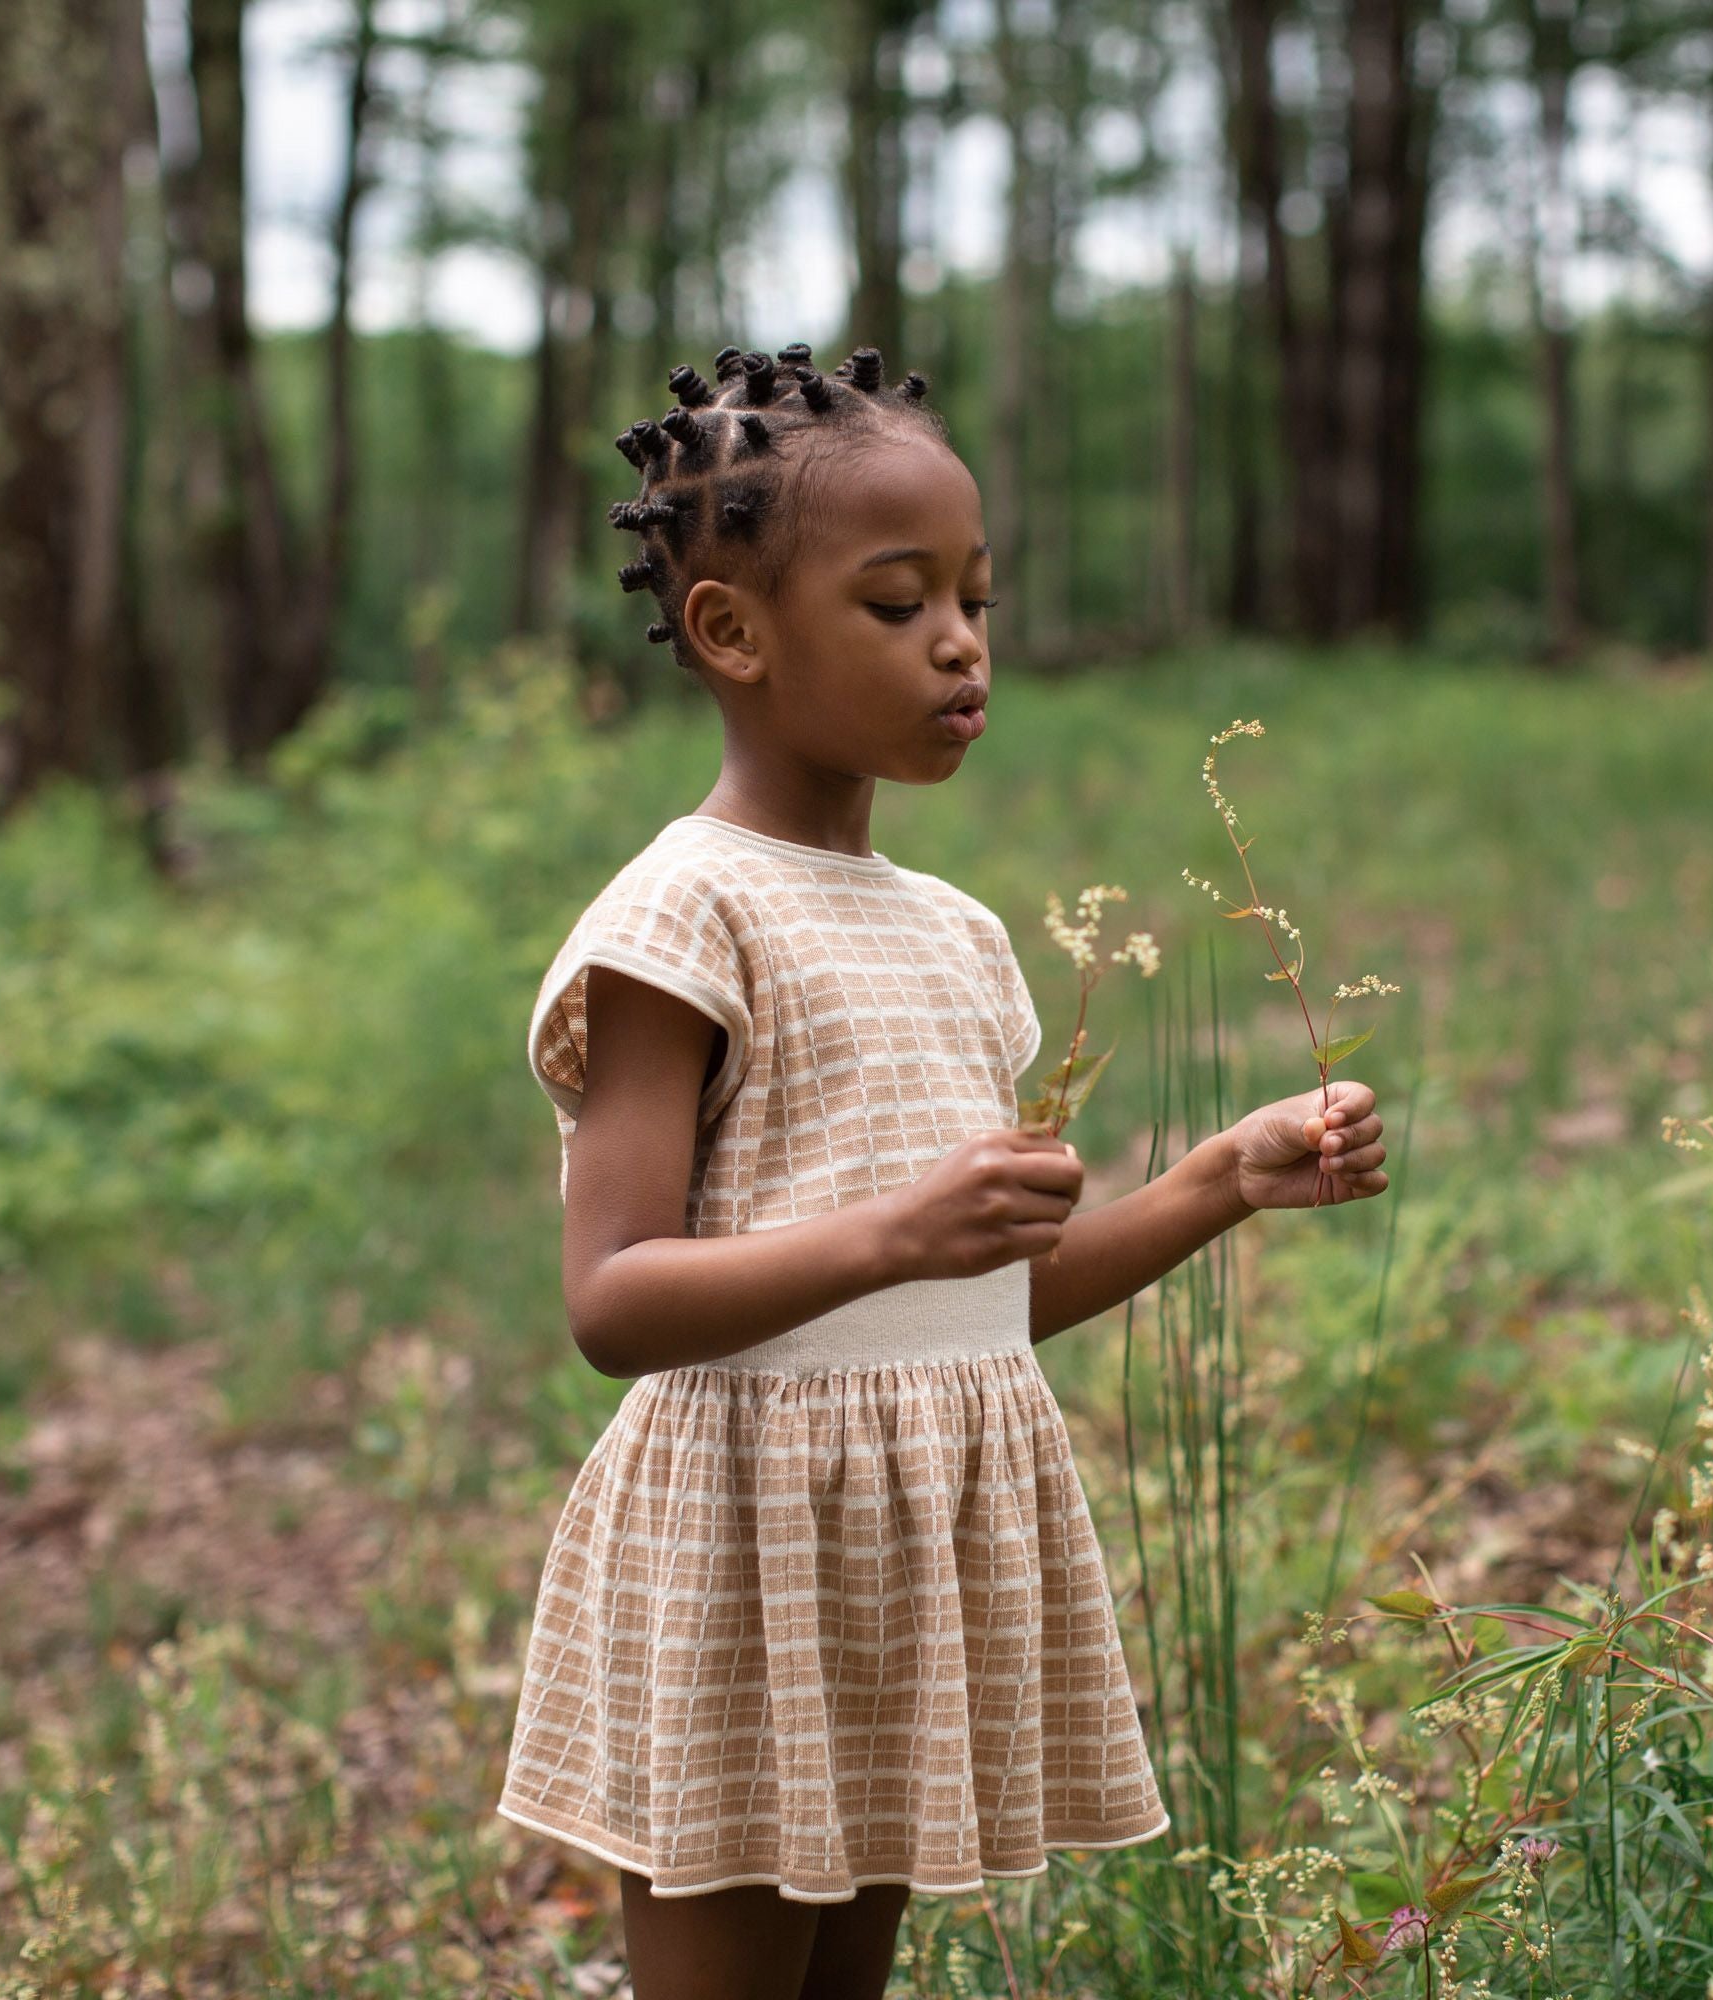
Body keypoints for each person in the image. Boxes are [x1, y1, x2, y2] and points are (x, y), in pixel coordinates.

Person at [496, 341, 1392, 2000]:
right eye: (899, 605)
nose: (963, 642)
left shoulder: (962, 936)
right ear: (734, 634)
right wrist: (895, 1232)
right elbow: (613, 1301)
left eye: (976, 598)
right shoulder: (680, 918)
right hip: (744, 1554)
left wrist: (1218, 1179)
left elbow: (978, 1306)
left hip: (914, 1544)